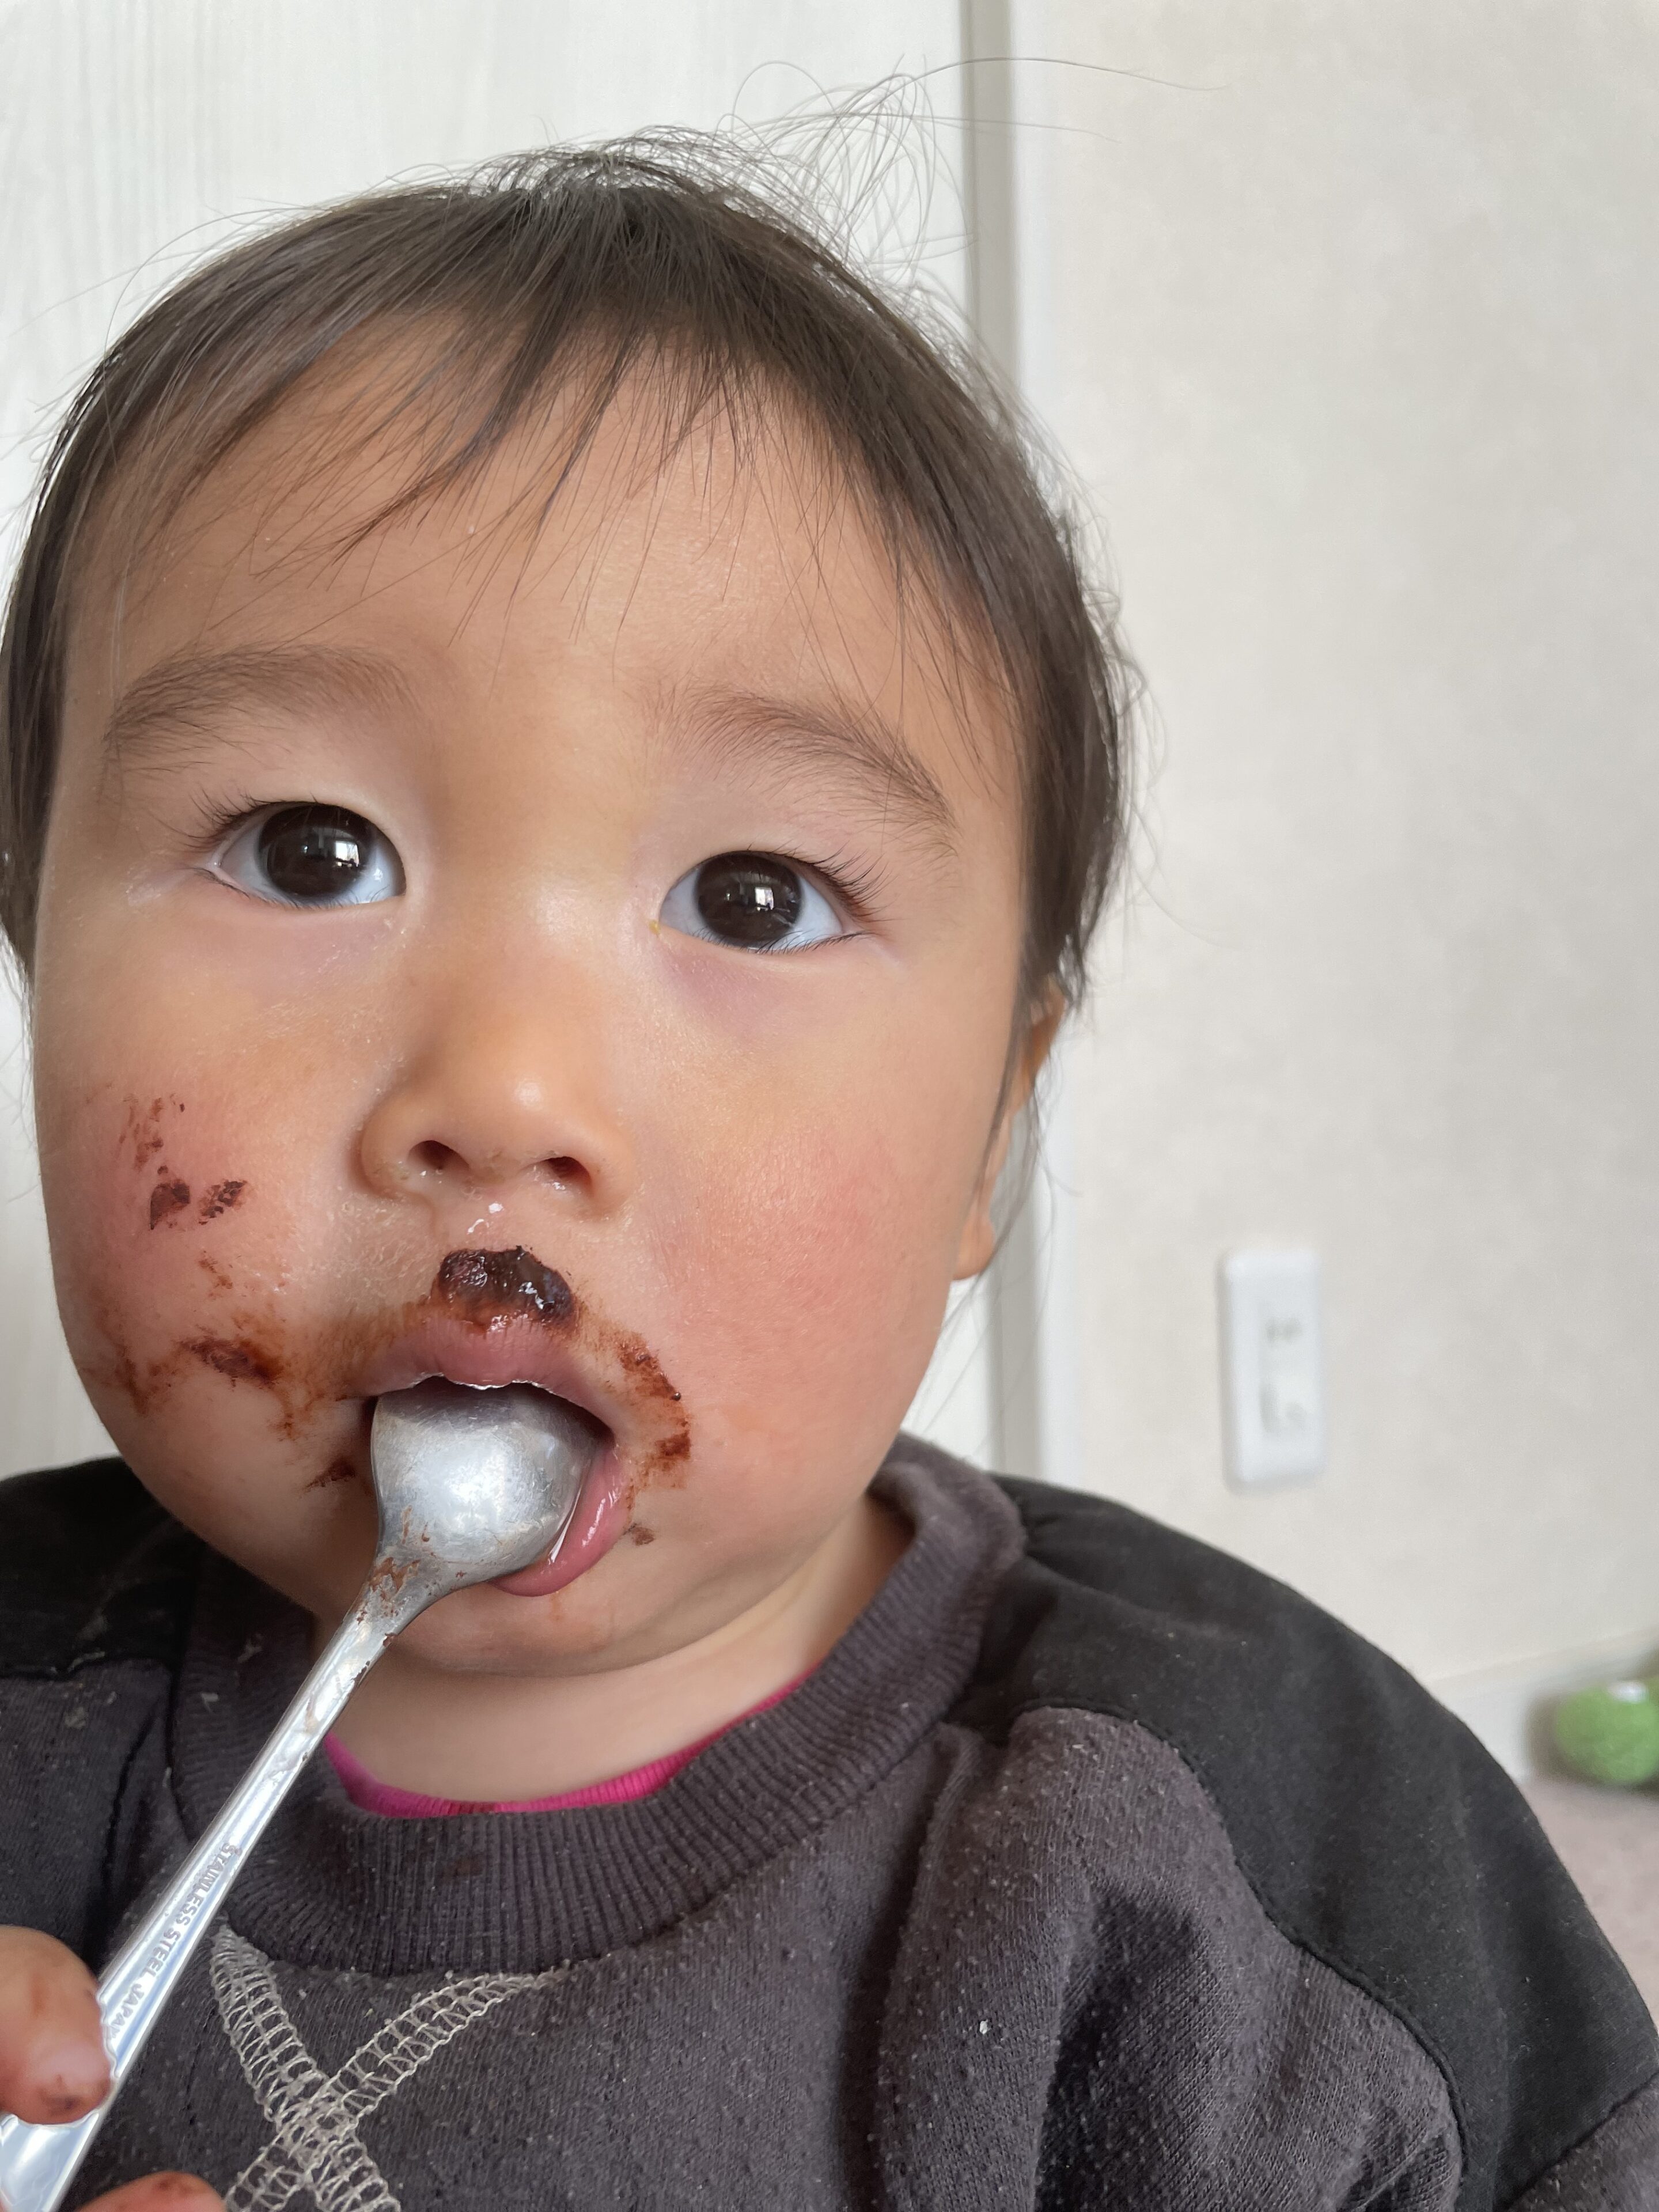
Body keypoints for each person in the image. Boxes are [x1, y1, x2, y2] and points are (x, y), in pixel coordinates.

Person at [0, 142, 1650, 2212]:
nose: (506, 1094)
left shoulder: (1266, 1872)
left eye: (755, 896)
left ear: (994, 1133)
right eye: (309, 851)